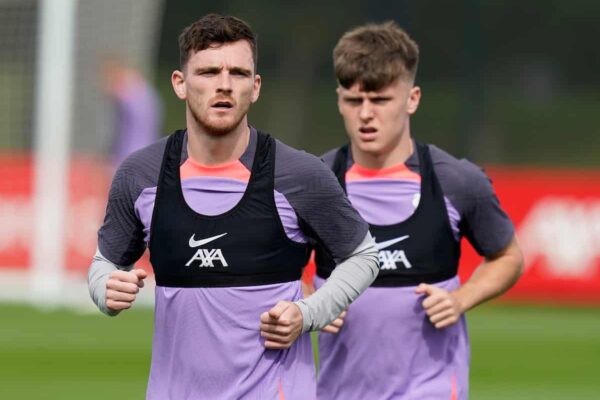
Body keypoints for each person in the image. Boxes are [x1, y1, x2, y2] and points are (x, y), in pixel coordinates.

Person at [87, 14, 379, 400]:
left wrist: (309, 313)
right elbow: (104, 264)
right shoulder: (140, 175)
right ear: (180, 83)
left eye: (238, 73)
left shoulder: (299, 174)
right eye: (208, 72)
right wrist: (104, 287)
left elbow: (364, 255)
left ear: (255, 87)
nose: (224, 85)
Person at [312, 21, 524, 399]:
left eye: (380, 100)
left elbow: (508, 256)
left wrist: (461, 299)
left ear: (412, 98)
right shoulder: (316, 183)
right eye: (353, 100)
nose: (365, 114)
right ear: (338, 99)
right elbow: (272, 267)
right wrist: (309, 305)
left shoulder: (457, 181)